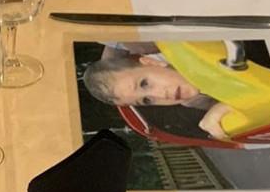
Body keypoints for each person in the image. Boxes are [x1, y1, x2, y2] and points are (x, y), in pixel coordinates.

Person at [82, 53, 236, 140]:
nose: (161, 95)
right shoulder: (194, 105)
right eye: (147, 100)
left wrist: (229, 106)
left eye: (144, 83)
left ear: (150, 62)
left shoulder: (200, 46)